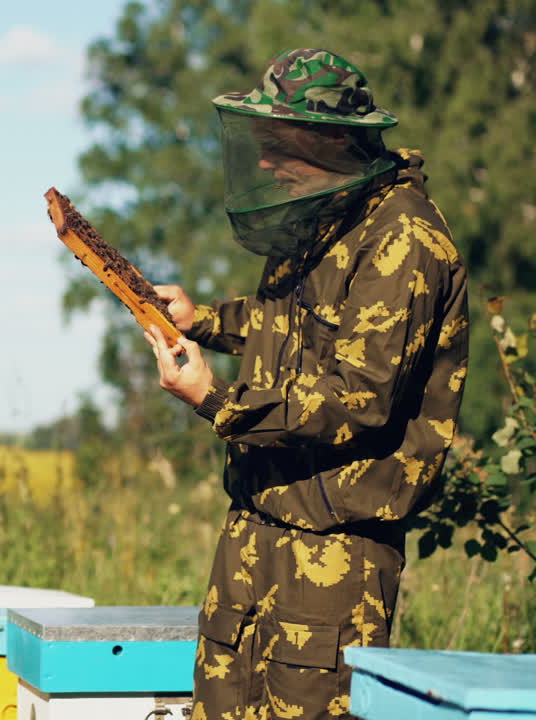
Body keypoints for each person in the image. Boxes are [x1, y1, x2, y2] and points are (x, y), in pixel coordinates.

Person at [141, 49, 470, 720]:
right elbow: (285, 323)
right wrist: (201, 320)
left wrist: (216, 401)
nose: (263, 161)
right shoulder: (324, 213)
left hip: (333, 555)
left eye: (278, 142)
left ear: (328, 139)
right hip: (255, 522)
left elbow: (359, 394)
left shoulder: (405, 239)